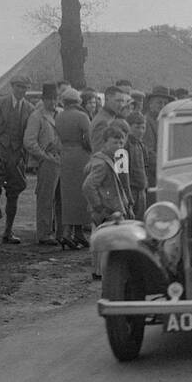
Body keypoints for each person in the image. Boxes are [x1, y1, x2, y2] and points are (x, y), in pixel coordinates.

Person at [0, 76, 33, 244]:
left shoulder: (29, 108)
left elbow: (30, 133)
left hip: (16, 157)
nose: (21, 90)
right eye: (18, 86)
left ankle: (8, 232)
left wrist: (23, 153)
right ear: (11, 86)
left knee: (14, 192)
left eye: (24, 87)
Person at [82, 119, 134, 280]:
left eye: (121, 142)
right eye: (114, 142)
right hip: (107, 211)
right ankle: (102, 275)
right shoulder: (102, 163)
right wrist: (98, 206)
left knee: (104, 245)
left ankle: (100, 273)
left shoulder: (111, 160)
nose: (119, 146)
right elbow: (88, 186)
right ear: (105, 142)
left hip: (110, 209)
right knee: (105, 245)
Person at [54, 86, 93, 248]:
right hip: (80, 156)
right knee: (80, 195)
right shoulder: (82, 116)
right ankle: (74, 232)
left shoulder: (60, 116)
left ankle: (71, 233)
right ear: (78, 101)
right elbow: (89, 138)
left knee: (68, 195)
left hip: (65, 155)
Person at [25, 83, 63, 245]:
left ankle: (62, 232)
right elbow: (29, 141)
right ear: (43, 99)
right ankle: (44, 233)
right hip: (47, 162)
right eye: (49, 99)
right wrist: (44, 156)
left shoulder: (61, 114)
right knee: (45, 198)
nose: (52, 102)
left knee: (62, 198)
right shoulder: (36, 116)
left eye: (55, 99)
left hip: (62, 160)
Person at [91, 85, 131, 151]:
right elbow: (98, 149)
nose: (121, 104)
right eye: (118, 101)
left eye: (122, 101)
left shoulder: (110, 118)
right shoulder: (103, 121)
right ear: (107, 99)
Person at [126, 111, 148, 218]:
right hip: (131, 192)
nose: (140, 131)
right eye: (137, 127)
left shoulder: (141, 146)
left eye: (143, 128)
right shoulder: (125, 146)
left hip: (141, 191)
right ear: (128, 127)